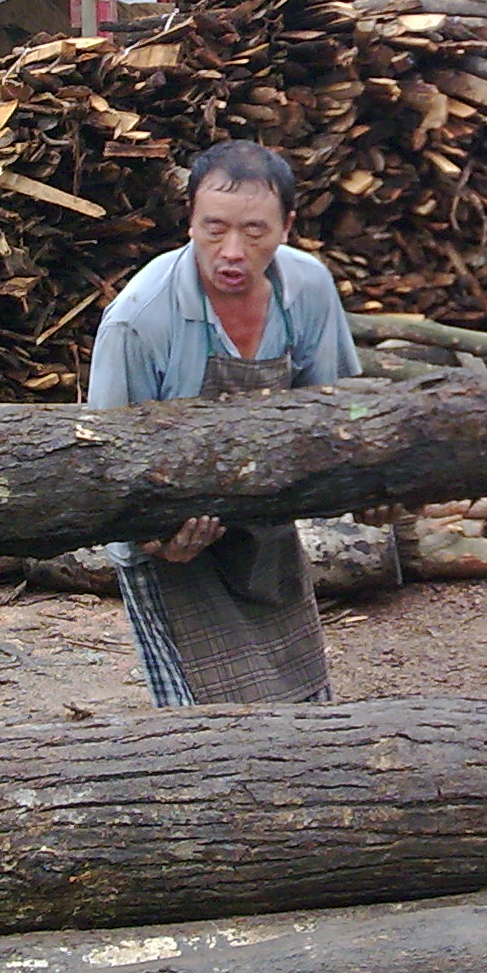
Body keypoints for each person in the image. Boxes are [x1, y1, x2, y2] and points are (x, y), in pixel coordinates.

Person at [88, 140, 361, 706]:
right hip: (167, 543)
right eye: (214, 229)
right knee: (212, 722)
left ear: (286, 226)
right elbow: (104, 463)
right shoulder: (140, 320)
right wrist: (156, 536)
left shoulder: (306, 289)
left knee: (301, 702)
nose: (232, 251)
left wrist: (370, 482)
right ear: (188, 221)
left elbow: (335, 409)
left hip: (265, 526)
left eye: (255, 231)